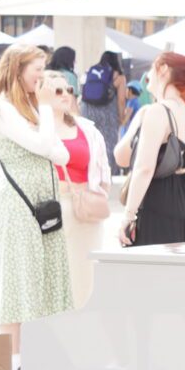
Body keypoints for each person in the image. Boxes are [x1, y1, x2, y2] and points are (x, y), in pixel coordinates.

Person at [0, 44, 77, 340]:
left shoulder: (31, 108)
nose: (42, 78)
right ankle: (15, 361)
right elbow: (43, 146)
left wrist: (43, 114)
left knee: (39, 280)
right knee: (16, 280)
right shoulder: (2, 108)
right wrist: (47, 111)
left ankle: (36, 355)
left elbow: (61, 155)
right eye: (37, 69)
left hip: (40, 205)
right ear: (17, 70)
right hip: (16, 204)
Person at [42, 69, 115, 308]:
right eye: (58, 90)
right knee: (52, 276)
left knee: (85, 277)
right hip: (50, 207)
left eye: (69, 90)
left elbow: (104, 170)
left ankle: (81, 329)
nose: (65, 95)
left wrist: (98, 194)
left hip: (84, 209)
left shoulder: (87, 129)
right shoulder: (33, 129)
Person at [118, 54, 185, 250]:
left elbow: (143, 168)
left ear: (163, 69)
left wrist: (128, 215)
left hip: (156, 200)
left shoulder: (157, 112)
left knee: (152, 273)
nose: (148, 74)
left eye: (151, 68)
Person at [78, 49, 130, 155]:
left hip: (88, 111)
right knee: (108, 146)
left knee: (91, 143)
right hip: (108, 113)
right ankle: (109, 170)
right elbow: (121, 100)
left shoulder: (90, 71)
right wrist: (121, 117)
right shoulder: (119, 76)